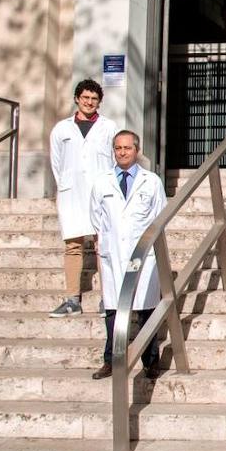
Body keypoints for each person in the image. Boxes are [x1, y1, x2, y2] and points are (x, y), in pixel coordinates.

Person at [88, 130, 167, 381]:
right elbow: (96, 218)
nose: (122, 152)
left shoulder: (151, 181)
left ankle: (150, 361)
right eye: (118, 148)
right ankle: (111, 360)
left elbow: (160, 216)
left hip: (143, 254)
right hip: (114, 254)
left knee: (146, 308)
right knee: (112, 309)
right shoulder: (102, 182)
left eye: (127, 148)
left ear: (137, 150)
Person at [49, 80, 119, 318]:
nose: (89, 102)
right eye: (85, 98)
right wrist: (65, 187)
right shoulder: (61, 129)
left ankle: (106, 298)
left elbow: (114, 160)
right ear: (77, 98)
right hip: (72, 193)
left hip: (101, 193)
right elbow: (56, 163)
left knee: (103, 245)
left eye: (94, 99)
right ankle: (72, 299)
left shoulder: (109, 127)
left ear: (99, 102)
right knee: (73, 245)